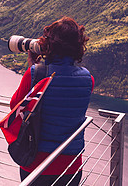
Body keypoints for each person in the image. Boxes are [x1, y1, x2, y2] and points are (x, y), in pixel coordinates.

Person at [10, 16, 94, 186]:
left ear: (48, 44)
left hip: (36, 162)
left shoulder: (36, 73)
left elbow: (15, 106)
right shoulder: (88, 79)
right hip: (71, 165)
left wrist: (33, 67)